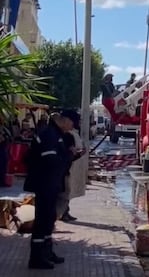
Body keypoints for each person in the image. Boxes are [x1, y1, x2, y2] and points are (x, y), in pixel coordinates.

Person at [24, 112, 74, 269]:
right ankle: (37, 258)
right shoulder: (49, 135)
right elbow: (51, 161)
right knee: (42, 219)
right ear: (64, 120)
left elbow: (58, 160)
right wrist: (67, 156)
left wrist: (71, 156)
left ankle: (46, 252)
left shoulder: (55, 134)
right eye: (72, 123)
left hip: (51, 184)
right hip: (44, 183)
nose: (72, 128)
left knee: (48, 218)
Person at [56, 110, 84, 222]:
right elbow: (64, 155)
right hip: (60, 172)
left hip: (64, 170)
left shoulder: (67, 135)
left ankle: (63, 213)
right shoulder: (63, 136)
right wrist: (73, 153)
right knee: (63, 195)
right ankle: (57, 215)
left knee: (64, 194)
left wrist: (78, 154)